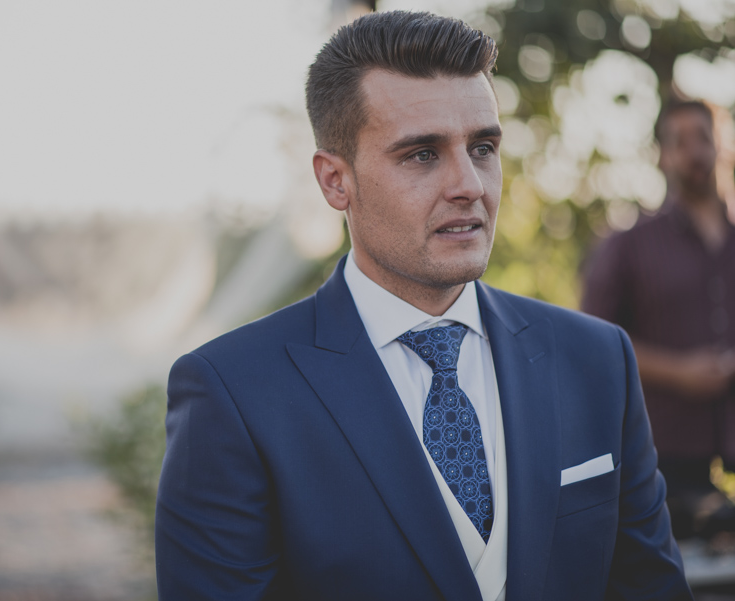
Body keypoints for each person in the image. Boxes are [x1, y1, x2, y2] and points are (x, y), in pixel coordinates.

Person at [156, 11, 690, 601]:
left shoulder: (597, 361)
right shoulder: (233, 393)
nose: (470, 184)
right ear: (336, 180)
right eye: (422, 155)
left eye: (483, 147)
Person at [582, 100, 735, 540]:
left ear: (720, 144)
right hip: (667, 460)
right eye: (679, 142)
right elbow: (593, 340)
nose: (694, 152)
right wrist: (679, 372)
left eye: (703, 138)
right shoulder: (629, 245)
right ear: (662, 155)